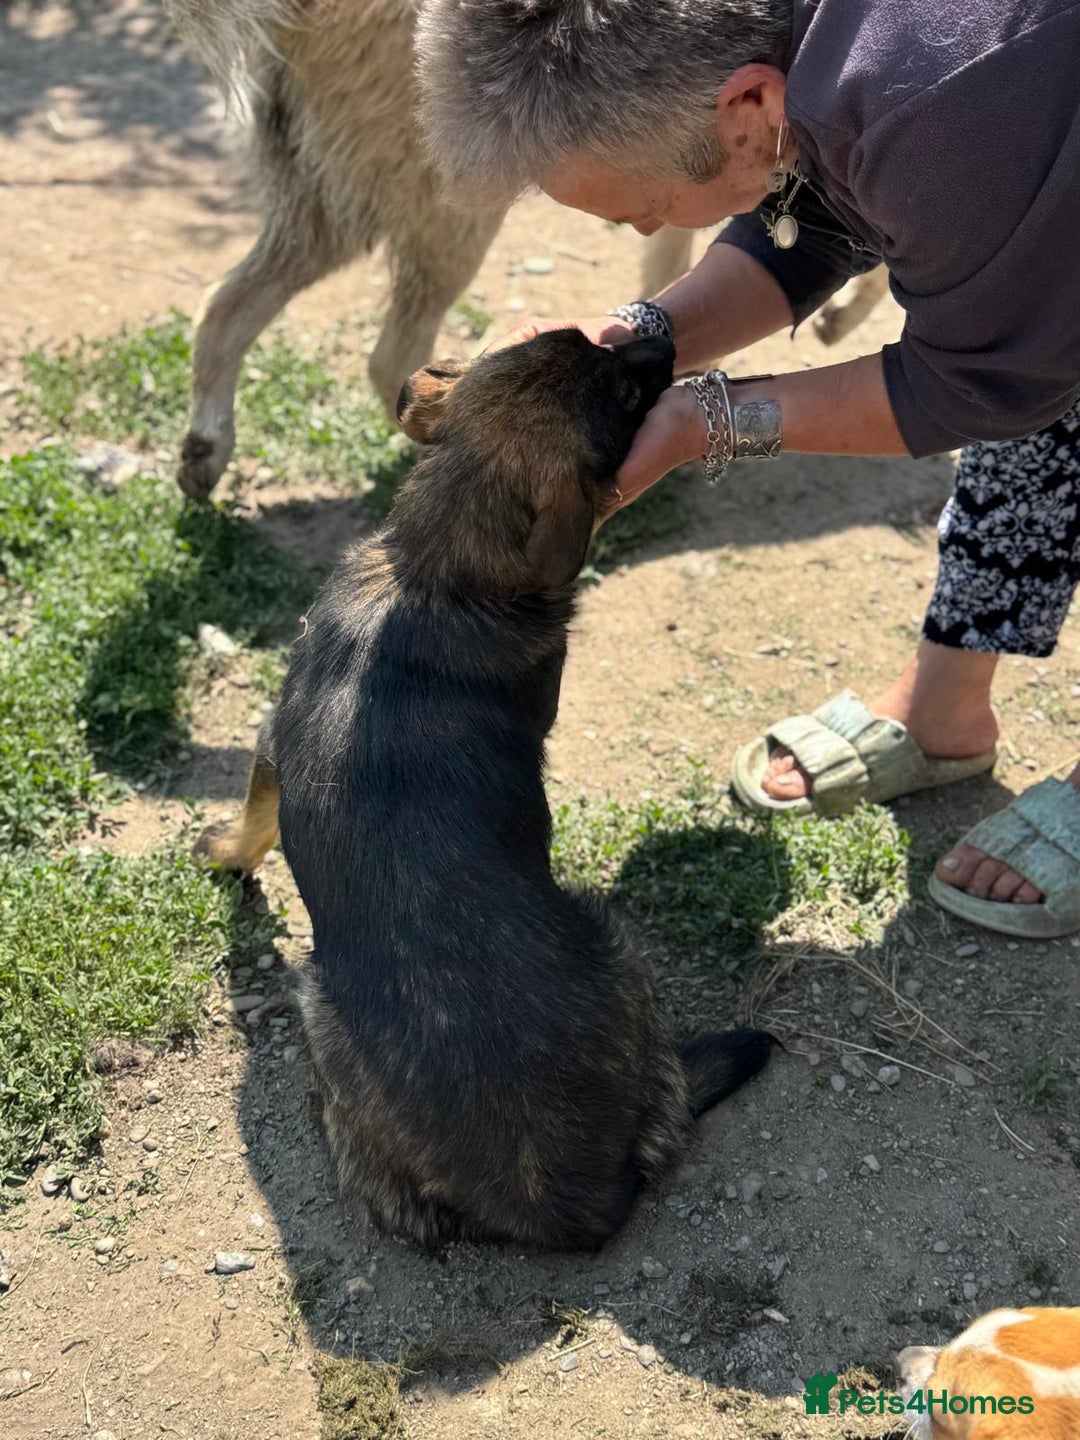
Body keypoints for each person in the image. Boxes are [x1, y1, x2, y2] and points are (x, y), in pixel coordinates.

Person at [415, 0, 1080, 939]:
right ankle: (945, 712)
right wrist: (641, 340)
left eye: (638, 207)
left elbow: (982, 381)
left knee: (1036, 327)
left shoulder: (939, 110)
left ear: (745, 107)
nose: (642, 228)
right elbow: (818, 209)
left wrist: (707, 422)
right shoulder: (805, 74)